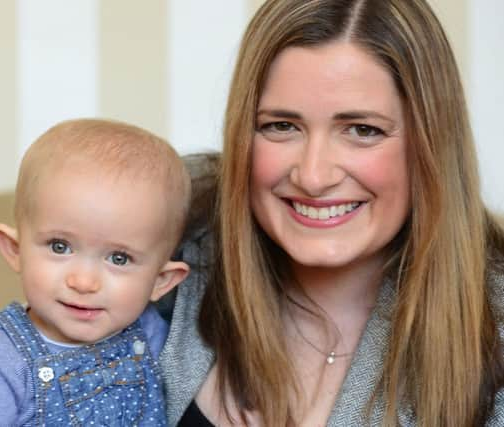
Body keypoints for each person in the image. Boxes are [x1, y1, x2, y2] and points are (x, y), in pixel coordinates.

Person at [160, 0, 504, 426]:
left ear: (431, 145)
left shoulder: (495, 326)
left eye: (363, 130)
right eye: (281, 126)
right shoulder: (157, 250)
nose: (313, 176)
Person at [0, 119, 191, 426]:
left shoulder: (152, 335)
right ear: (15, 249)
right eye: (59, 247)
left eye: (119, 258)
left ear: (161, 281)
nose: (83, 282)